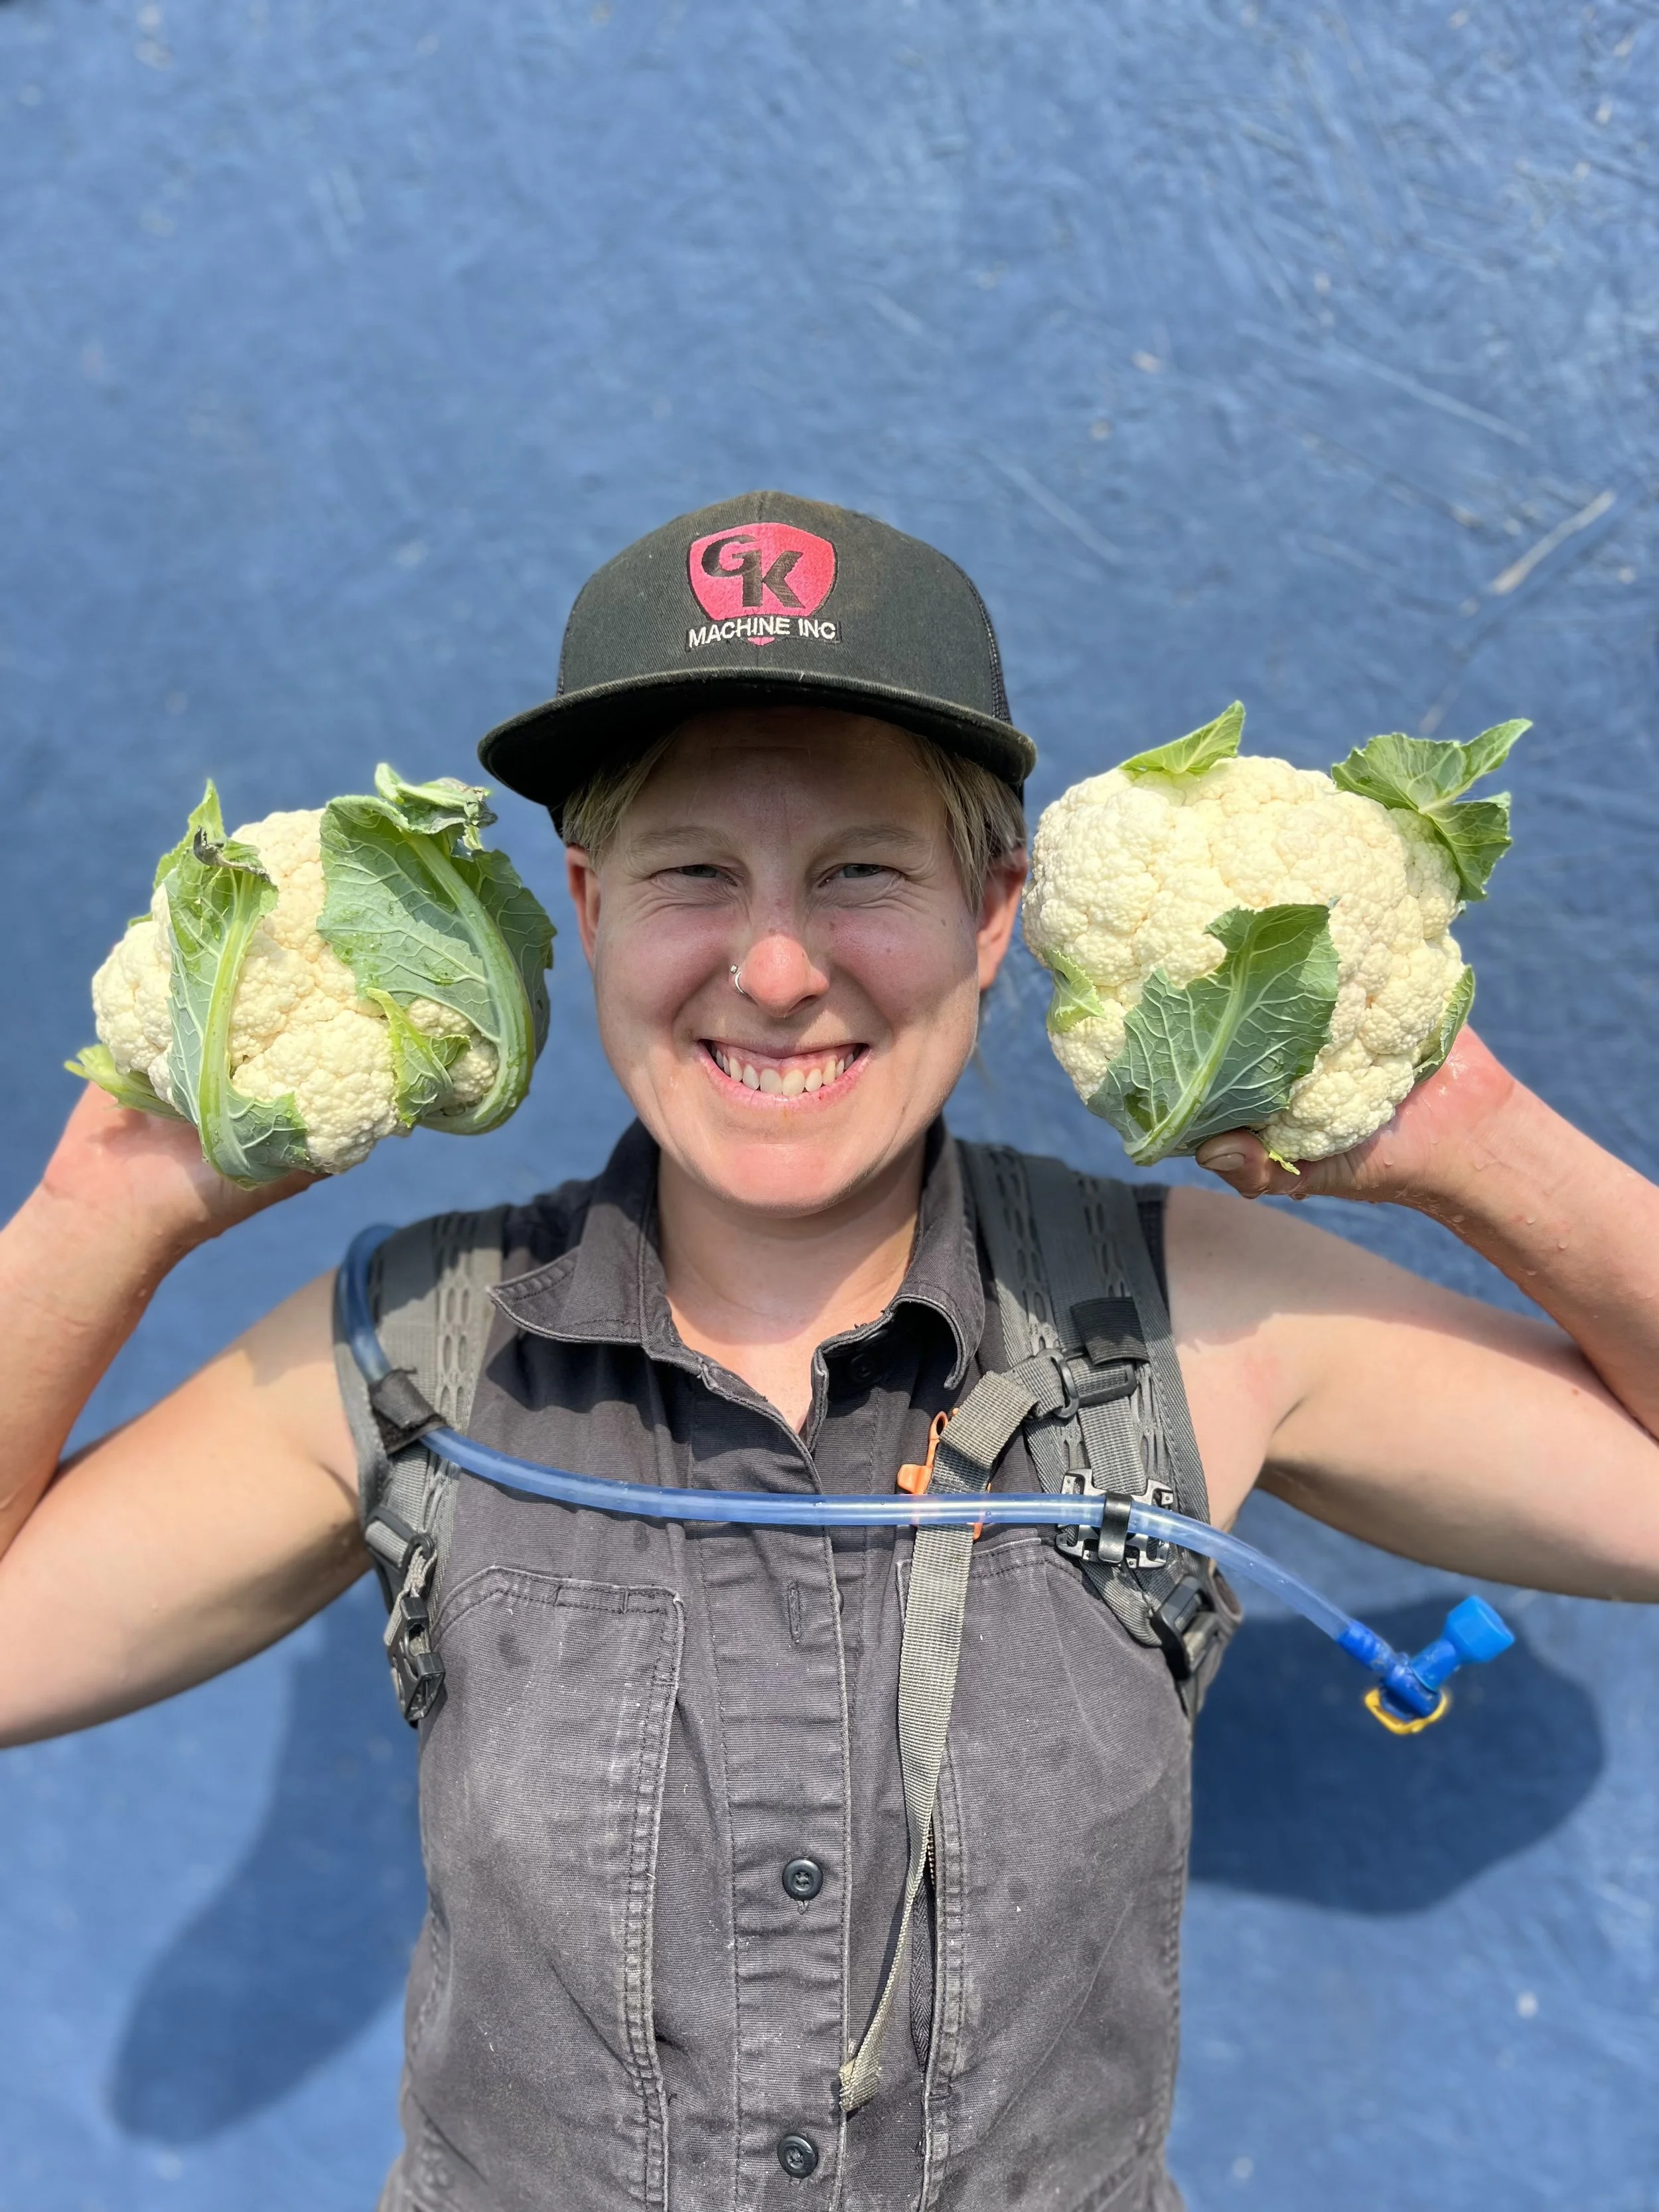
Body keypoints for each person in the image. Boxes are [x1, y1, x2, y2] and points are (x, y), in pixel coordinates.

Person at [3, 490, 1657, 2212]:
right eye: (691, 873)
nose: (776, 965)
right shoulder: (423, 1349)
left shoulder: (1187, 1315)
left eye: (861, 870)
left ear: (993, 908)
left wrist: (1453, 1127)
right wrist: (118, 1192)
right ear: (585, 902)